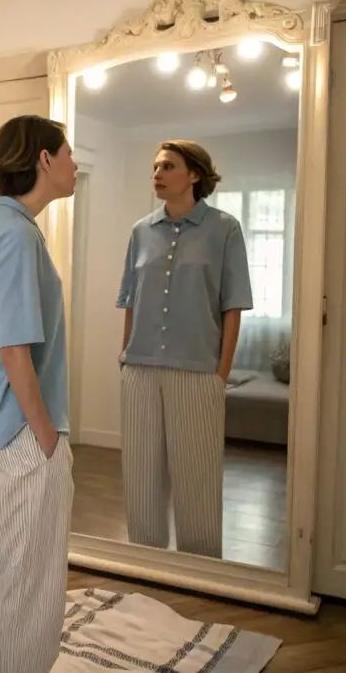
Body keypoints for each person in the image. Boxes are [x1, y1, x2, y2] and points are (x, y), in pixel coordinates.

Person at [0, 114, 77, 673]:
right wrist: (46, 436)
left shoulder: (13, 228)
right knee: (23, 577)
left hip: (10, 430)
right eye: (69, 152)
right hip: (24, 434)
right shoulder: (15, 236)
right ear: (44, 160)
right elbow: (15, 351)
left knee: (5, 567)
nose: (76, 163)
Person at [116, 140, 252, 559]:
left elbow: (233, 305)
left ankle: (201, 571)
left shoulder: (224, 229)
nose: (157, 173)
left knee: (198, 478)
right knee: (141, 477)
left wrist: (220, 374)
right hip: (139, 370)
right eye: (155, 165)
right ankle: (146, 565)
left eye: (168, 166)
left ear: (194, 175)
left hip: (198, 372)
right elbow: (130, 300)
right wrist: (124, 357)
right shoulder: (141, 232)